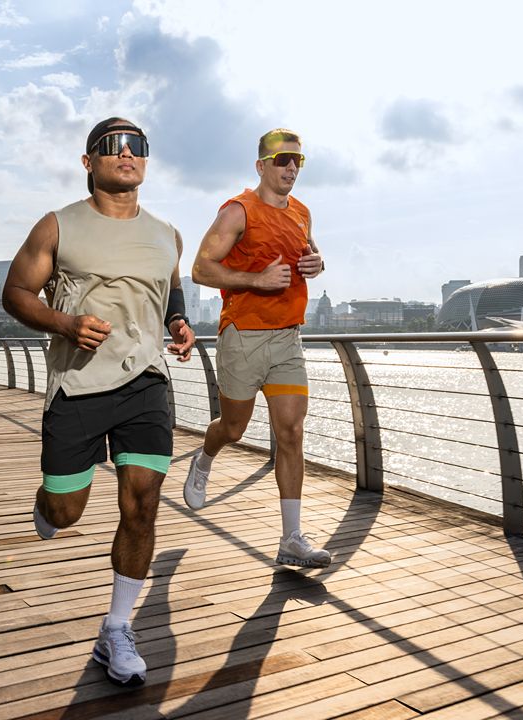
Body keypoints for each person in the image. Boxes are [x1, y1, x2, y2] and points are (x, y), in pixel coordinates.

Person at [2, 118, 195, 686]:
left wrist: (177, 322)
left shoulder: (167, 234)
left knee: (142, 505)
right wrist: (64, 323)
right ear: (88, 162)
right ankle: (48, 505)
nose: (127, 153)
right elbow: (16, 292)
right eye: (113, 146)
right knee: (67, 511)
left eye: (138, 145)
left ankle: (116, 629)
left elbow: (171, 286)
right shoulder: (58, 225)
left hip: (146, 383)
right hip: (78, 385)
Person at [183, 128, 331, 569]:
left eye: (298, 161)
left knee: (291, 432)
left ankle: (291, 539)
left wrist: (317, 263)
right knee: (234, 428)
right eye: (283, 160)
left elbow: (310, 254)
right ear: (261, 166)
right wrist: (256, 280)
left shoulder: (302, 213)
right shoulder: (238, 211)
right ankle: (204, 458)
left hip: (287, 338)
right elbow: (200, 269)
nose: (291, 168)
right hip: (242, 336)